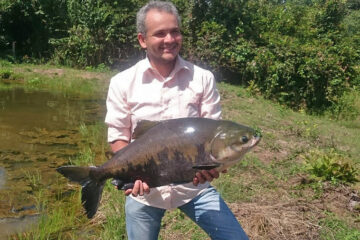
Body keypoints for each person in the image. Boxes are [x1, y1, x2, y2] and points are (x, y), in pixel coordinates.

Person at [104, 1, 249, 239]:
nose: (170, 39)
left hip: (194, 189)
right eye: (160, 33)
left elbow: (216, 136)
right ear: (142, 40)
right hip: (145, 193)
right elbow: (118, 137)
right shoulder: (122, 82)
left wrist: (212, 169)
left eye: (175, 31)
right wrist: (133, 176)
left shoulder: (203, 78)